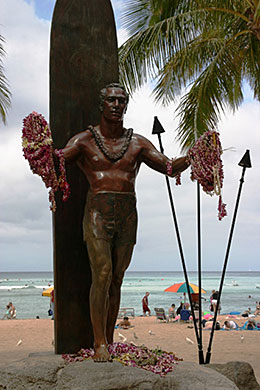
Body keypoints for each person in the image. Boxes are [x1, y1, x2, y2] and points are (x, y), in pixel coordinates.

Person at [60, 83, 189, 362]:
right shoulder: (84, 140)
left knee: (116, 279)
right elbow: (59, 161)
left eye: (121, 101)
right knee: (103, 274)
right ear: (101, 105)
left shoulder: (138, 143)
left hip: (128, 213)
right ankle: (99, 343)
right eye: (111, 100)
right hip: (97, 211)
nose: (117, 105)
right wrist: (38, 150)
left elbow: (168, 166)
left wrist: (194, 156)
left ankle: (107, 336)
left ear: (126, 106)